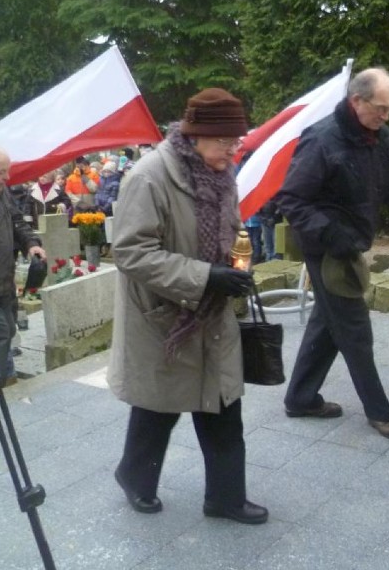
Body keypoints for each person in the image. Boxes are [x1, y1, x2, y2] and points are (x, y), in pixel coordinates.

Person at [107, 88, 268, 525]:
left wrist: (236, 266)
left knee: (221, 405)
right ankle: (134, 477)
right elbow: (130, 252)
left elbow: (230, 231)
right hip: (164, 316)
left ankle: (225, 498)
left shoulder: (220, 172)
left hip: (210, 312)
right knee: (158, 409)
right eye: (224, 142)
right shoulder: (148, 176)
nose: (232, 151)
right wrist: (205, 276)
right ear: (195, 136)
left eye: (236, 142)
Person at [275, 67, 389, 441]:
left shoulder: (379, 135)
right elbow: (290, 197)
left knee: (328, 319)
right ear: (357, 101)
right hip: (329, 250)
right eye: (381, 108)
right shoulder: (322, 139)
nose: (386, 117)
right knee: (354, 328)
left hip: (350, 242)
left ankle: (301, 398)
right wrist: (333, 235)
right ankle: (379, 412)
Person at [0, 149, 46, 386]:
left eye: (6, 171)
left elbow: (18, 222)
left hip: (5, 283)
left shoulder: (3, 192)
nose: (7, 178)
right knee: (3, 333)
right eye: (1, 173)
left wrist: (31, 244)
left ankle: (7, 380)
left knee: (7, 331)